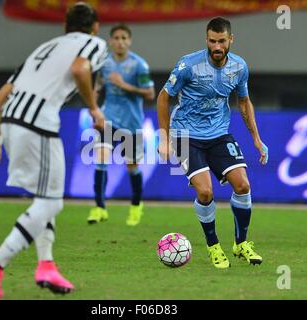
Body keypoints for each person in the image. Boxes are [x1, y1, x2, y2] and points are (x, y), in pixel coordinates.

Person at [0, 2, 107, 298]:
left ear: (64, 26)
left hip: (10, 121)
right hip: (38, 125)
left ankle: (46, 265)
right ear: (95, 27)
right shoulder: (94, 43)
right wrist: (94, 109)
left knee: (43, 198)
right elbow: (79, 67)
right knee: (52, 203)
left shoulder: (44, 48)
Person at [157, 17, 269, 269]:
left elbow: (243, 102)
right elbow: (163, 98)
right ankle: (214, 246)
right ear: (206, 40)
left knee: (242, 185)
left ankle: (241, 244)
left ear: (230, 40)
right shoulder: (188, 65)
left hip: (219, 135)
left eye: (221, 41)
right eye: (211, 41)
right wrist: (164, 138)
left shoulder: (239, 67)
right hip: (186, 135)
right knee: (206, 192)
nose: (216, 46)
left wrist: (256, 139)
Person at [87, 23, 155, 226]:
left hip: (131, 123)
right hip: (108, 119)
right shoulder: (104, 64)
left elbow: (150, 94)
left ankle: (136, 206)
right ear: (111, 41)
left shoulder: (139, 65)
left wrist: (124, 85)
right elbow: (97, 88)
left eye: (124, 38)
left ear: (129, 41)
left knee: (132, 166)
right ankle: (99, 207)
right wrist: (94, 110)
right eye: (116, 38)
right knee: (101, 158)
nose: (120, 42)